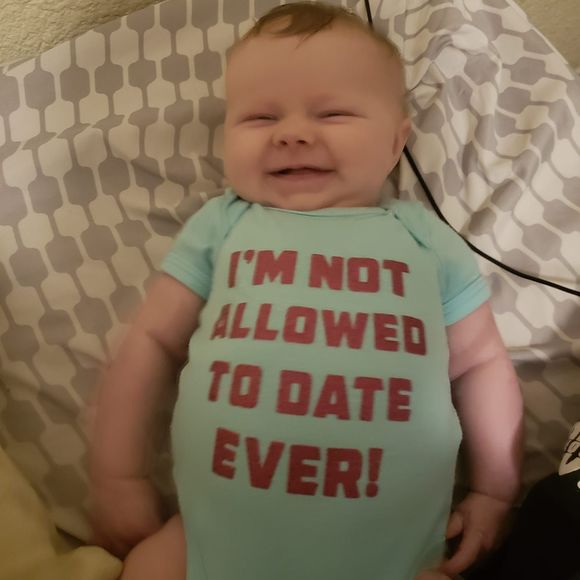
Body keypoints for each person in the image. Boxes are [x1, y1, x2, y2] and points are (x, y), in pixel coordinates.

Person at [90, 3, 524, 580]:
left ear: (396, 141)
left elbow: (483, 363)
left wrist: (495, 490)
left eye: (333, 113)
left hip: (389, 557)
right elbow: (149, 342)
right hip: (213, 540)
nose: (292, 133)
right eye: (260, 117)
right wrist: (117, 475)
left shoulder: (426, 241)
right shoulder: (224, 224)